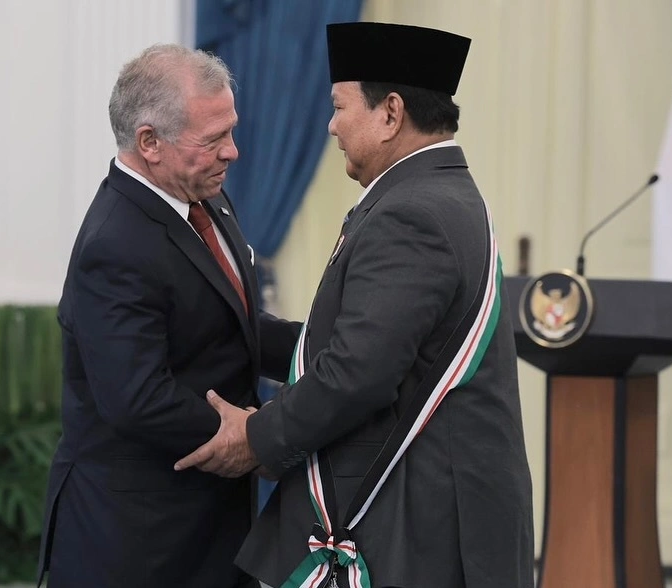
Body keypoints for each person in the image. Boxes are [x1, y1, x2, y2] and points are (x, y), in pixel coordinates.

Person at [175, 22, 535, 588]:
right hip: (432, 515)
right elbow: (362, 345)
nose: (331, 126)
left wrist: (255, 438)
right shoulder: (437, 193)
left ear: (390, 113)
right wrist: (238, 330)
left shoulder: (412, 213)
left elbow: (358, 373)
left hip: (424, 526)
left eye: (340, 107)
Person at [36, 44, 299, 588]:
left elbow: (236, 329)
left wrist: (335, 350)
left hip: (215, 529)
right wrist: (257, 438)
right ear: (149, 142)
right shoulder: (115, 243)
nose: (234, 152)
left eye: (231, 130)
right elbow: (137, 397)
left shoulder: (205, 197)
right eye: (214, 140)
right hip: (139, 544)